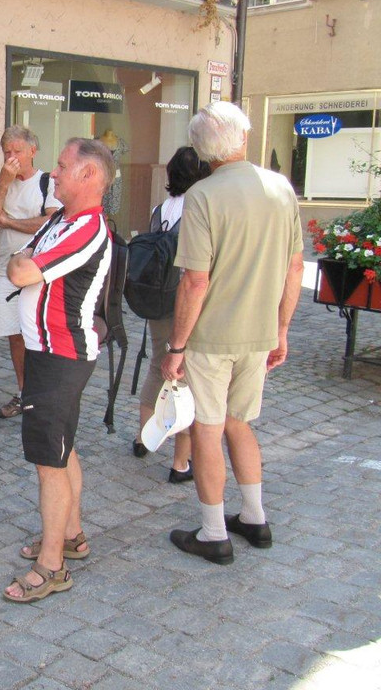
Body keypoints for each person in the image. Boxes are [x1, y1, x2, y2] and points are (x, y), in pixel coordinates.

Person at [162, 102, 303, 565]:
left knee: (208, 429)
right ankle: (256, 518)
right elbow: (294, 266)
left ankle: (213, 531)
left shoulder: (203, 195)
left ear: (203, 150)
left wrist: (176, 345)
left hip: (212, 337)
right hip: (258, 332)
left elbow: (195, 280)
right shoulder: (280, 188)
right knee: (240, 424)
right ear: (243, 136)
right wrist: (281, 329)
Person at [3, 138, 113, 604]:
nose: (55, 171)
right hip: (50, 351)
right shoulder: (59, 220)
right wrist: (19, 262)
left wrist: (19, 264)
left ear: (89, 176)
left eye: (64, 166)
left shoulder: (87, 228)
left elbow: (22, 272)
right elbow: (20, 259)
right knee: (63, 448)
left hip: (60, 354)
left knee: (49, 460)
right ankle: (71, 534)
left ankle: (52, 566)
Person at [132, 146, 211, 481]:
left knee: (156, 367)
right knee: (186, 378)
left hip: (158, 300)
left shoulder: (160, 208)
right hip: (185, 301)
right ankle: (181, 461)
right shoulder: (201, 207)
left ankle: (143, 438)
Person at [0, 125, 62, 419]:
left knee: (39, 335)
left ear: (32, 151)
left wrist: (11, 222)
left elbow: (51, 223)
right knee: (16, 336)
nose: (11, 157)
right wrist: (3, 183)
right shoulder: (2, 181)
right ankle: (24, 393)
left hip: (39, 272)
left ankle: (44, 394)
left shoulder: (47, 182)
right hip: (6, 271)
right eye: (6, 152)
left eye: (17, 151)